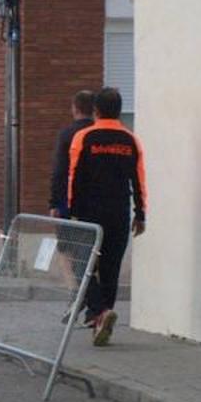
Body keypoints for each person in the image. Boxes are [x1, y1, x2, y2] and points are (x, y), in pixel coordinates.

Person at [68, 87, 147, 347]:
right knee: (111, 268)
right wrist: (141, 213)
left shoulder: (84, 137)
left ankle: (99, 312)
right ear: (119, 109)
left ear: (96, 110)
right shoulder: (130, 140)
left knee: (83, 263)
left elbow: (74, 177)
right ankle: (104, 317)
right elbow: (139, 179)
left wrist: (72, 212)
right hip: (119, 212)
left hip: (90, 212)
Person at [49, 90, 96, 219]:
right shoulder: (101, 135)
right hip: (96, 202)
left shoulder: (67, 134)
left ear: (75, 109)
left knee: (69, 238)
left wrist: (54, 203)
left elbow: (59, 171)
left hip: (69, 201)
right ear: (94, 110)